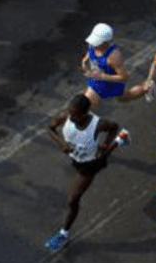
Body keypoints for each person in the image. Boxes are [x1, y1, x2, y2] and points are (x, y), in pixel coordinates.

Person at [45, 94, 129, 252]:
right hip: (76, 158)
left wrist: (103, 147)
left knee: (72, 200)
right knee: (102, 156)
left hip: (88, 164)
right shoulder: (66, 116)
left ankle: (64, 234)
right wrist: (61, 143)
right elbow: (50, 128)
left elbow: (113, 126)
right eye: (70, 113)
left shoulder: (98, 124)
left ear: (85, 114)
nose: (71, 117)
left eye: (75, 115)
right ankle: (120, 140)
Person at [80, 23, 148, 109]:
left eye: (97, 42)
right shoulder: (93, 44)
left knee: (123, 98)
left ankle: (146, 87)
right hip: (97, 80)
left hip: (110, 82)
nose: (93, 44)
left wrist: (102, 76)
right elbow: (89, 54)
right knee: (86, 103)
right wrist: (85, 61)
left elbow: (124, 77)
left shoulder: (114, 56)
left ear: (105, 42)